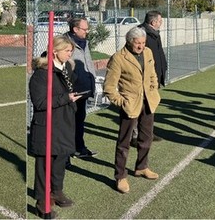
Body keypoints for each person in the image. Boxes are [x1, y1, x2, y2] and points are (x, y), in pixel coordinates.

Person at [29, 36, 82, 218]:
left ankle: (56, 191)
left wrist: (72, 100)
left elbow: (66, 90)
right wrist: (66, 98)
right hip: (47, 125)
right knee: (45, 164)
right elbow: (40, 102)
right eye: (67, 50)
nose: (70, 54)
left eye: (71, 51)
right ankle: (42, 201)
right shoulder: (41, 74)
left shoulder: (66, 67)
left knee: (60, 160)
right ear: (54, 51)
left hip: (64, 122)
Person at [103, 26, 161, 194]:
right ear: (129, 42)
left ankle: (142, 167)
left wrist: (154, 88)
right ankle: (120, 176)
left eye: (143, 43)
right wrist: (122, 102)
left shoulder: (148, 52)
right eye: (137, 43)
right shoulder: (118, 58)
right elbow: (109, 87)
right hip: (130, 105)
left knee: (147, 137)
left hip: (149, 102)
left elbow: (152, 74)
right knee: (124, 142)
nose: (141, 46)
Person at [131, 10, 167, 145]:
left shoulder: (154, 33)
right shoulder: (140, 33)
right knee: (138, 108)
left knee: (149, 107)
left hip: (153, 76)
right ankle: (135, 136)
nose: (161, 23)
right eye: (160, 21)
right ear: (153, 22)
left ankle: (147, 133)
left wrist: (163, 69)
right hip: (142, 78)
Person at [65, 17, 98, 159]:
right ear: (75, 29)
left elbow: (88, 62)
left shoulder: (84, 42)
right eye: (85, 29)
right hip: (71, 90)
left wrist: (93, 79)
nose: (87, 31)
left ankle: (79, 147)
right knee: (69, 121)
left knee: (80, 119)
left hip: (84, 88)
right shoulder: (64, 43)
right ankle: (68, 150)